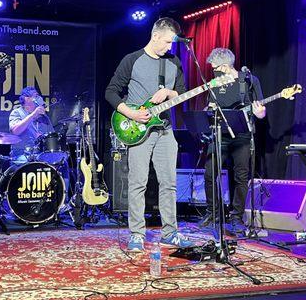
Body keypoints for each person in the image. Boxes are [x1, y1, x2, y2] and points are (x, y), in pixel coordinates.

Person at [105, 17, 194, 252]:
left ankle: (170, 233)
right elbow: (111, 92)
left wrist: (169, 92)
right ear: (155, 36)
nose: (169, 47)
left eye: (171, 43)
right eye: (166, 42)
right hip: (138, 129)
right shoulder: (132, 60)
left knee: (169, 183)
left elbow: (182, 94)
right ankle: (136, 234)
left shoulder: (174, 62)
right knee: (138, 183)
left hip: (165, 130)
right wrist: (131, 114)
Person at [199, 48, 266, 235]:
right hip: (219, 134)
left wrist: (260, 112)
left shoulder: (249, 80)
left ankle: (236, 217)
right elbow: (209, 106)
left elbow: (261, 112)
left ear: (226, 66)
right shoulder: (214, 83)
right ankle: (213, 213)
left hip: (242, 135)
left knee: (240, 176)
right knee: (210, 174)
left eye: (216, 68)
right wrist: (208, 109)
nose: (213, 72)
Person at [8, 86, 55, 163]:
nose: (39, 97)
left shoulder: (44, 117)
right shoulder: (17, 112)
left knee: (62, 163)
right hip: (21, 155)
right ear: (26, 98)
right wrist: (33, 114)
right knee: (26, 162)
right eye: (35, 95)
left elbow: (52, 137)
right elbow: (15, 131)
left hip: (41, 154)